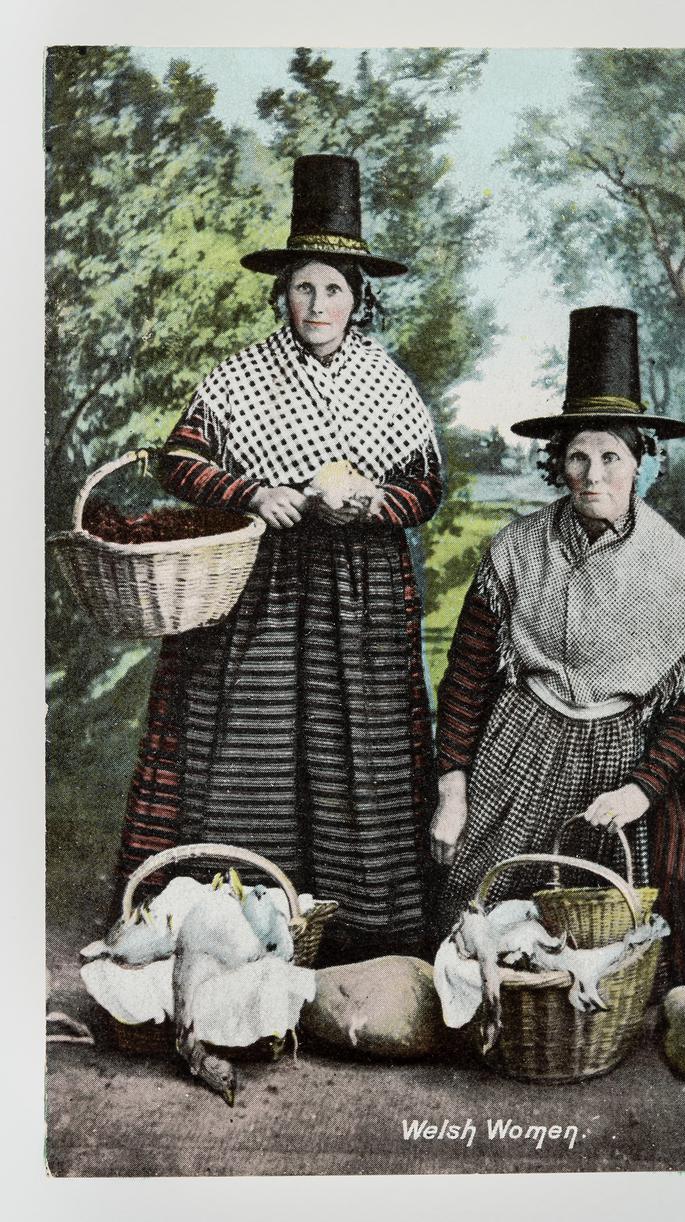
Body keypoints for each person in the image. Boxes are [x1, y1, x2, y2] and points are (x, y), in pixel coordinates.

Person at [117, 155, 442, 963]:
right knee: (248, 744)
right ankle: (236, 930)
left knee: (355, 751)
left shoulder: (387, 384)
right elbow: (178, 462)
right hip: (260, 589)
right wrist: (252, 490)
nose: (318, 304)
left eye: (334, 288)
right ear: (281, 294)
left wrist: (371, 501)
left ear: (358, 297)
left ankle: (357, 933)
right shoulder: (239, 378)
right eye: (304, 287)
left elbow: (428, 484)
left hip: (360, 596)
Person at [430, 306, 685, 993]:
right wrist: (453, 788)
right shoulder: (516, 550)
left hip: (628, 756)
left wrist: (642, 789)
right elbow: (465, 677)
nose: (592, 473)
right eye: (577, 455)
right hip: (521, 748)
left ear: (639, 463)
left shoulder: (674, 565)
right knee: (479, 909)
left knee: (646, 920)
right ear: (558, 463)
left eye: (611, 456)